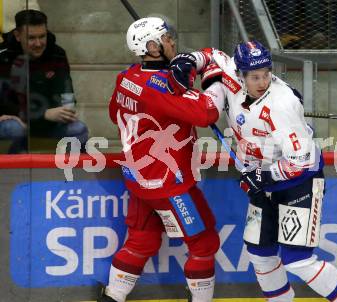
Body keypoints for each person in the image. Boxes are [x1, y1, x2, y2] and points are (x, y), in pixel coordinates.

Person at [195, 41, 337, 302]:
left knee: (297, 260)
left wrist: (262, 176)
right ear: (240, 74)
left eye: (266, 73)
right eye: (255, 76)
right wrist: (188, 62)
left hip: (299, 183)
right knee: (259, 253)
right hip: (262, 182)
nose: (263, 81)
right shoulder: (231, 74)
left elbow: (300, 161)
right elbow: (211, 56)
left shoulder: (281, 105)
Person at [99, 17, 221, 302]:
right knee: (204, 243)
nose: (173, 43)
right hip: (170, 184)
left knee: (142, 240)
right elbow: (207, 113)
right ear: (153, 46)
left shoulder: (127, 76)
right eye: (167, 39)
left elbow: (113, 113)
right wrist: (212, 80)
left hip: (139, 181)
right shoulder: (161, 85)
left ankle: (111, 297)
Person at [0, 9, 88, 153]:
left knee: (78, 129)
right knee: (12, 129)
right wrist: (43, 113)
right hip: (17, 123)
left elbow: (66, 94)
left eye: (42, 36)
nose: (38, 43)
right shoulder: (2, 56)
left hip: (46, 122)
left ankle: (71, 174)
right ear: (17, 35)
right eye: (31, 38)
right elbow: (4, 102)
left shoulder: (57, 54)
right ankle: (17, 174)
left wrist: (65, 111)